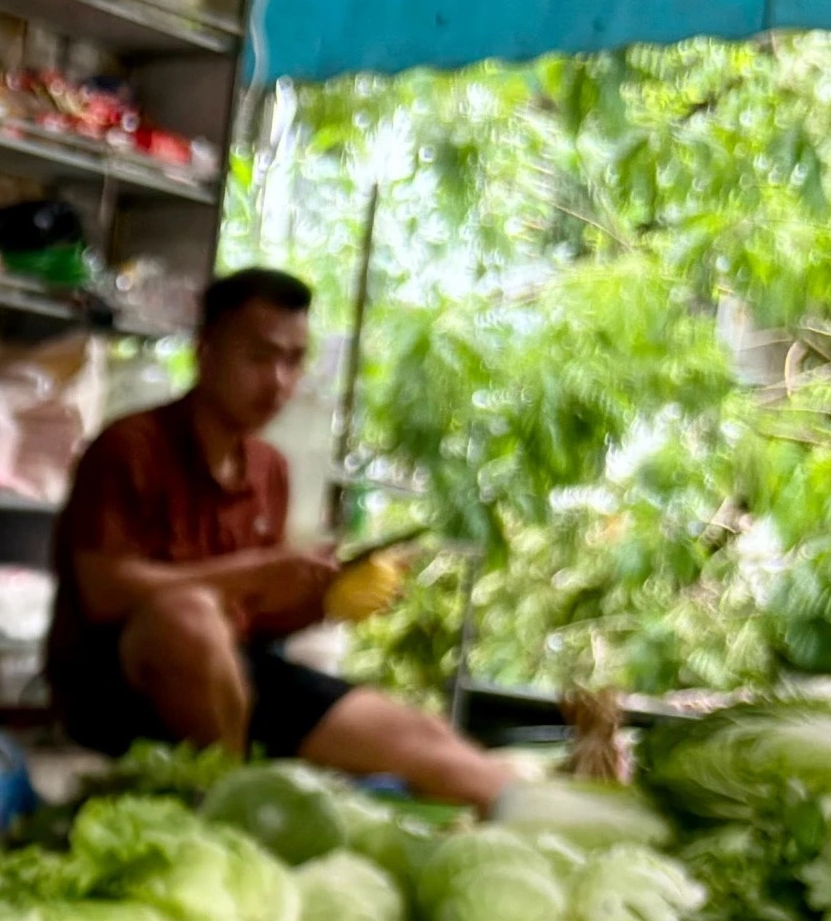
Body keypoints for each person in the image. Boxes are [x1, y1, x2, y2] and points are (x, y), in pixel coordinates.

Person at [46, 268, 511, 808]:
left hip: (237, 680)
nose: (279, 382)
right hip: (117, 692)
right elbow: (103, 591)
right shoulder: (130, 448)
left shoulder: (269, 469)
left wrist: (325, 596)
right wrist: (253, 572)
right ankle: (227, 811)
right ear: (206, 351)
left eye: (293, 361)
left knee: (426, 742)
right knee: (188, 617)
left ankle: (553, 825)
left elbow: (262, 617)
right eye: (259, 358)